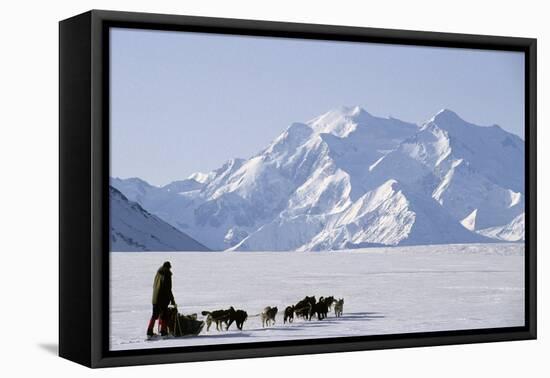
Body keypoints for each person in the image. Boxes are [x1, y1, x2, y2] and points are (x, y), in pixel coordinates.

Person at [146, 261, 176, 337]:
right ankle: (164, 332)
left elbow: (155, 286)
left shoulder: (158, 274)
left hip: (155, 298)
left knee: (154, 315)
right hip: (162, 299)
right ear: (168, 267)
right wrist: (172, 301)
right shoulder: (167, 274)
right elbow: (168, 289)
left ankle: (149, 333)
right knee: (164, 316)